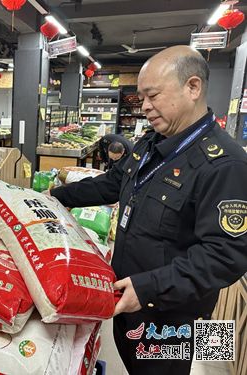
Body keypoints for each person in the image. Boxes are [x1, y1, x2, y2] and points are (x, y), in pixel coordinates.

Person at [49, 46, 247, 374]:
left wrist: (148, 288)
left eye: (152, 95)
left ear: (193, 87)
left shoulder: (226, 164)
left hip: (170, 319)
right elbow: (112, 184)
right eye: (142, 97)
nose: (144, 107)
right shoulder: (151, 142)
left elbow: (225, 256)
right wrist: (57, 196)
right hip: (128, 301)